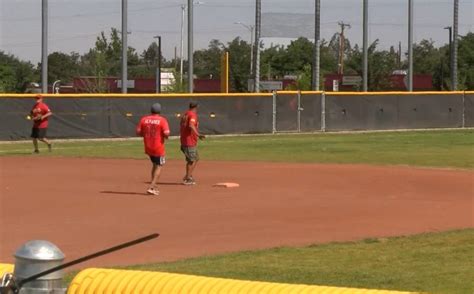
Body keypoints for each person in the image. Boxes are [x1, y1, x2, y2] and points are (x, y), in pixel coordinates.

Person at [136, 103, 170, 196]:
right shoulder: (162, 120)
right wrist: (165, 137)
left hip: (148, 147)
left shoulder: (144, 119)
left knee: (155, 164)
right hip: (158, 147)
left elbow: (138, 132)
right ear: (159, 111)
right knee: (159, 165)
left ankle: (153, 185)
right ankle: (151, 187)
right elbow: (166, 133)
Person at [180, 101, 205, 185]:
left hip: (186, 140)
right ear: (196, 107)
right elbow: (191, 125)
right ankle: (187, 179)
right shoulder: (192, 115)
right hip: (188, 141)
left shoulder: (185, 114)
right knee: (191, 160)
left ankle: (188, 176)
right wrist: (198, 134)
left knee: (195, 158)